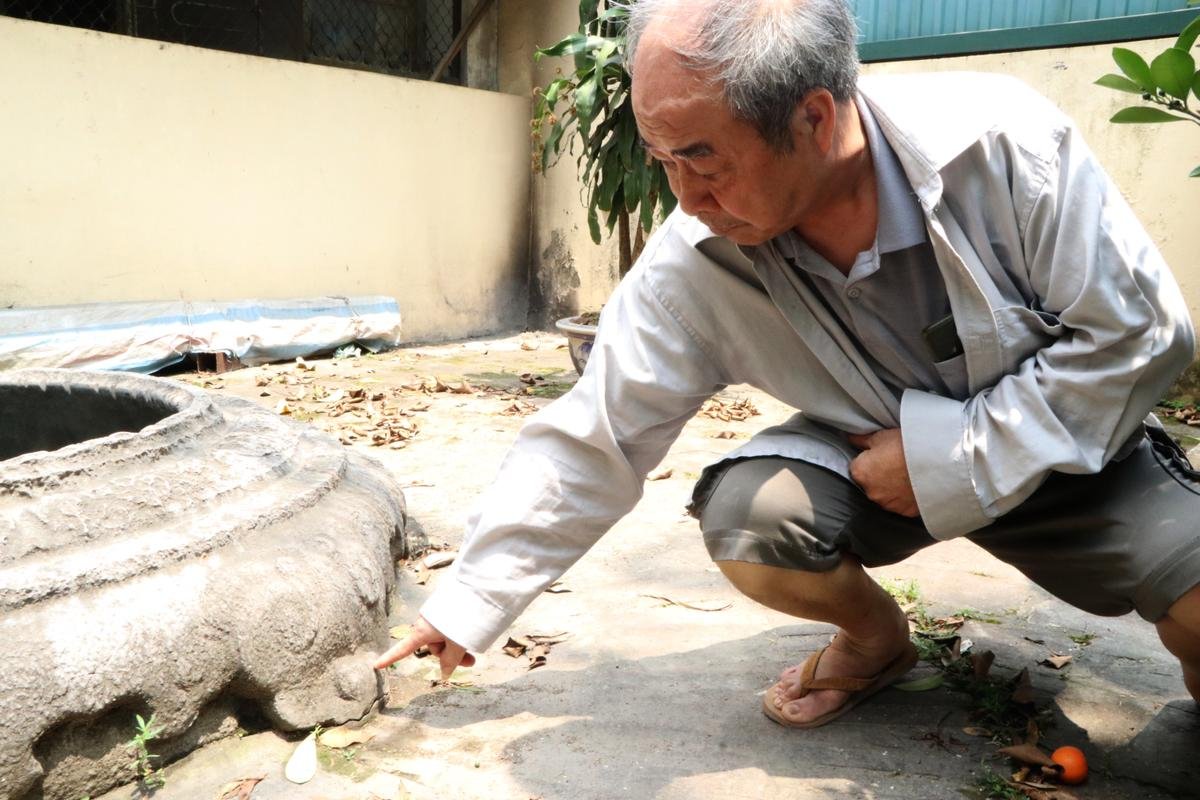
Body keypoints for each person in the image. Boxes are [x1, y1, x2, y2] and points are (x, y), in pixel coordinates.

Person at [376, 0, 1200, 728]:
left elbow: (1141, 337)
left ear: (813, 117)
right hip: (872, 469)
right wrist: (470, 602)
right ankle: (875, 640)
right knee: (751, 517)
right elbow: (597, 434)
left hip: (1072, 456)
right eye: (662, 161)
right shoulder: (693, 262)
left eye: (702, 158)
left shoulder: (1003, 146)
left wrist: (947, 459)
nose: (685, 200)